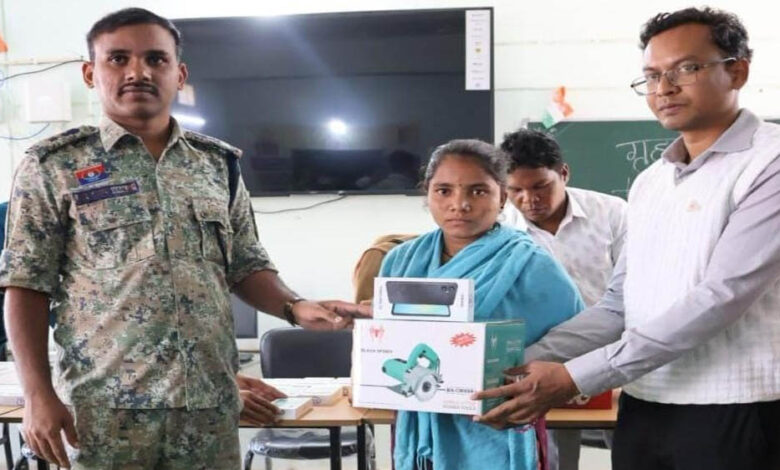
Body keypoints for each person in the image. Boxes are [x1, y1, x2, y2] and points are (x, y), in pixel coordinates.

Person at [0, 8, 368, 469]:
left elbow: (245, 264)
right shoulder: (53, 165)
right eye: (118, 59)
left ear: (179, 74)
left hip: (207, 408)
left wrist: (295, 307)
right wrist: (38, 394)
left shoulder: (215, 164)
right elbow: (25, 285)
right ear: (91, 74)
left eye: (156, 59)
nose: (138, 72)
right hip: (103, 411)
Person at [473, 7, 780, 470]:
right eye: (652, 76)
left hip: (736, 409)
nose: (664, 88)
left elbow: (721, 296)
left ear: (737, 70)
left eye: (686, 68)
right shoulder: (651, 182)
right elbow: (619, 306)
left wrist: (574, 377)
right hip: (645, 405)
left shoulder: (768, 162)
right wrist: (512, 367)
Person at [380, 139, 584, 470]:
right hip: (418, 418)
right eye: (443, 191)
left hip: (500, 420)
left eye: (477, 191)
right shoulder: (401, 260)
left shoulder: (530, 263)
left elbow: (576, 338)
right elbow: (387, 341)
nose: (459, 204)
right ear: (427, 194)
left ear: (502, 197)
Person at [501, 128, 626, 470]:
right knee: (554, 457)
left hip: (614, 352)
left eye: (540, 186)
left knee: (629, 448)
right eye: (515, 190)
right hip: (544, 359)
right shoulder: (500, 230)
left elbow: (631, 292)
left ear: (564, 173)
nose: (529, 200)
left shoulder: (612, 213)